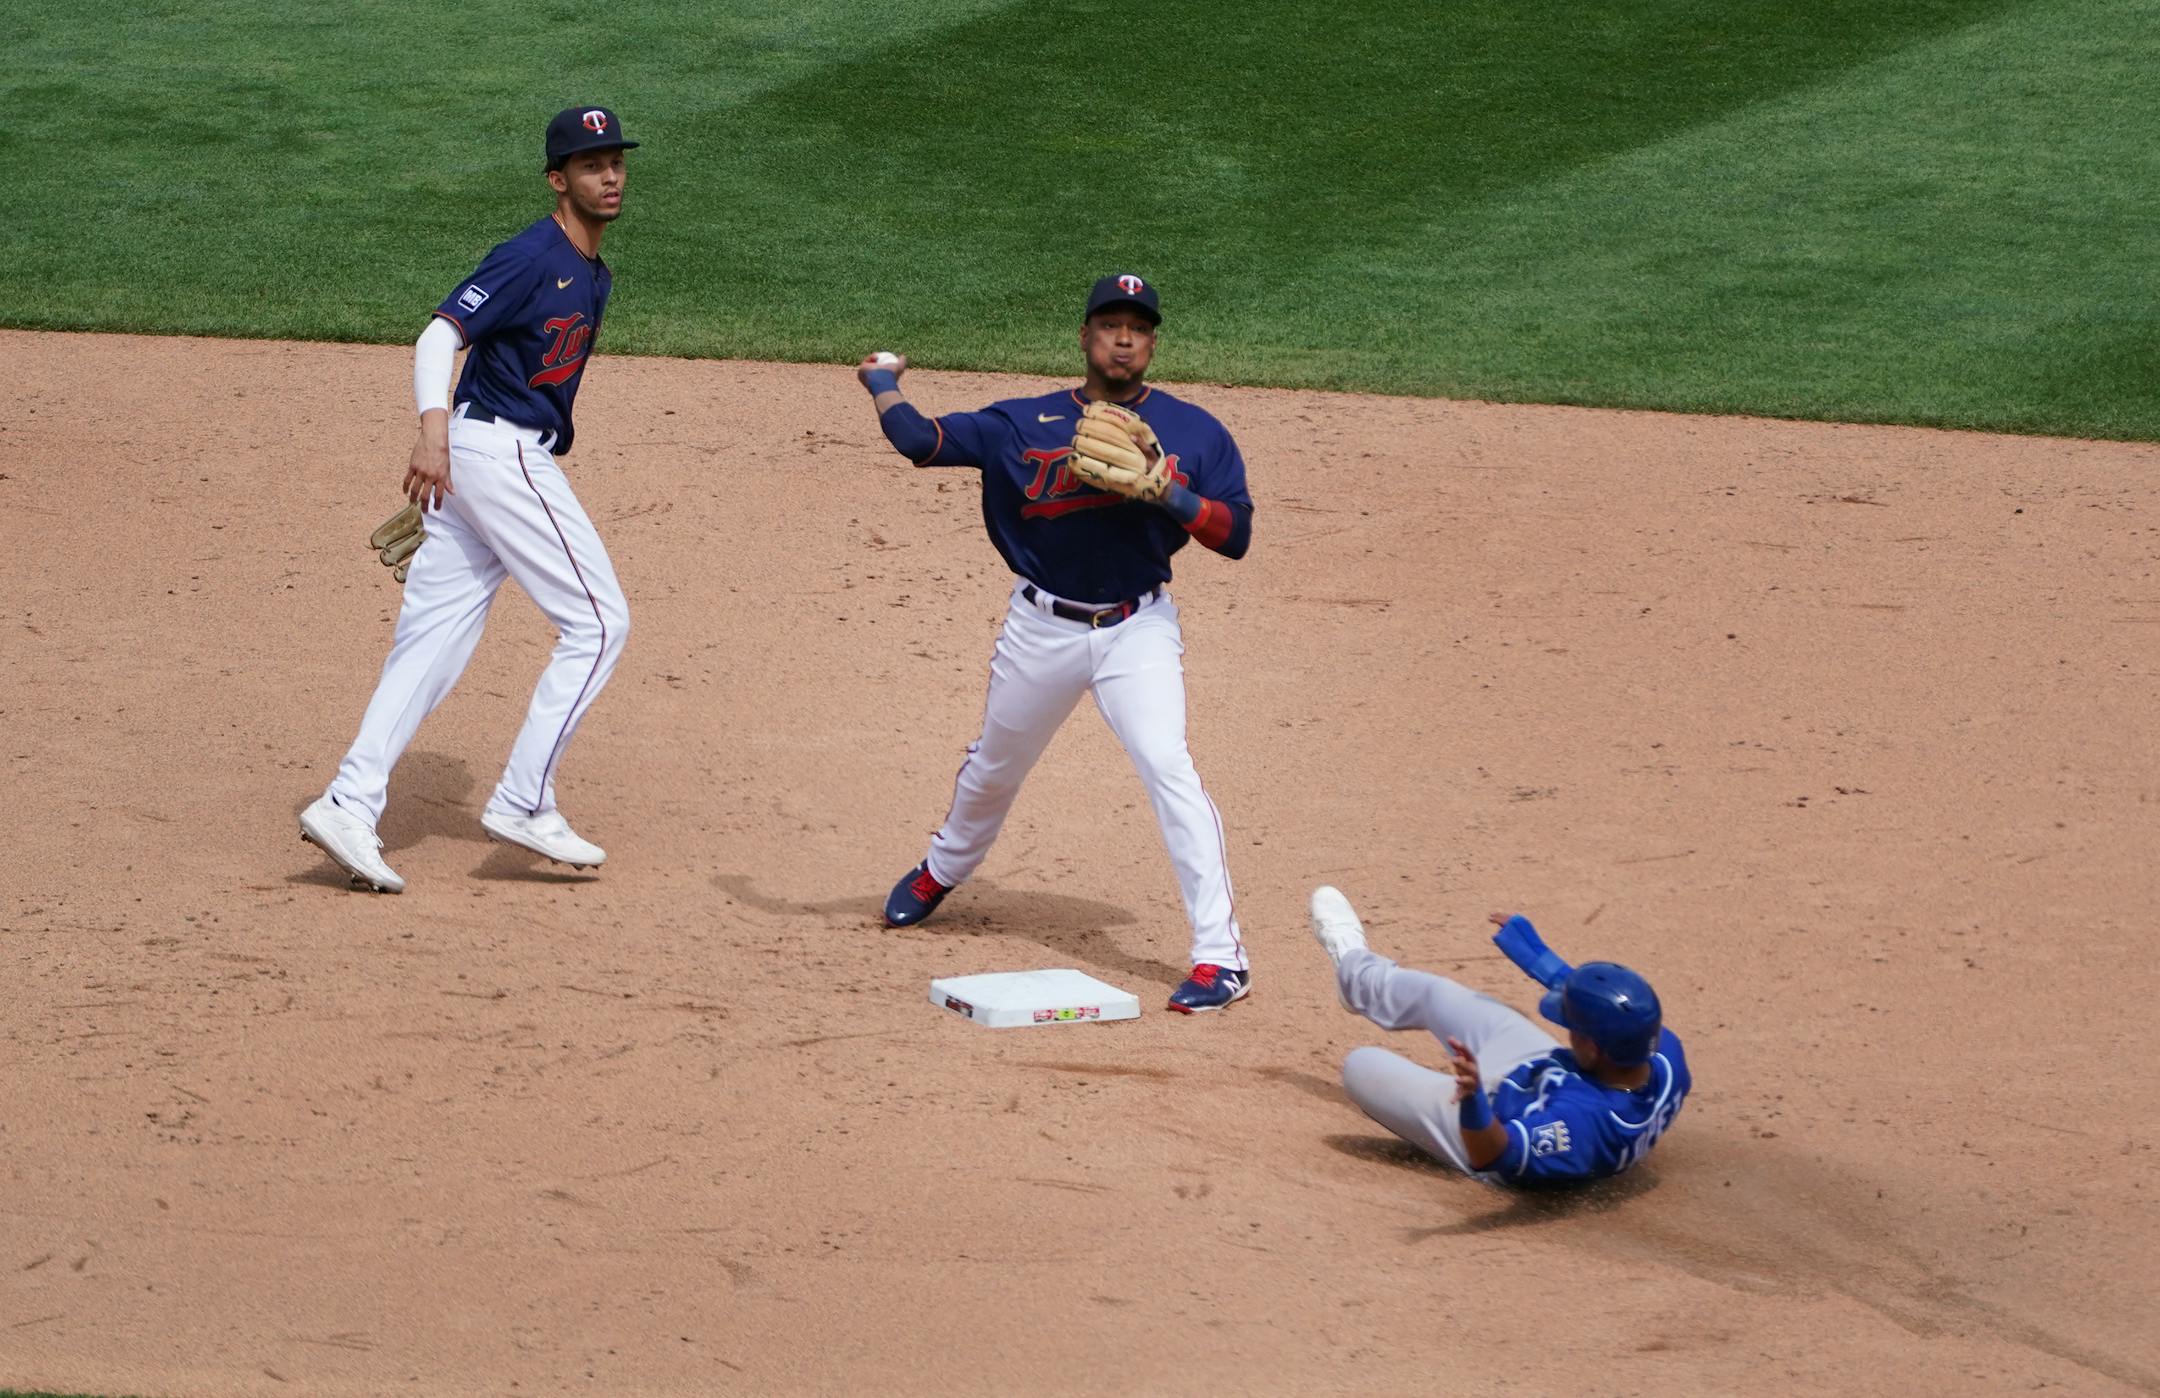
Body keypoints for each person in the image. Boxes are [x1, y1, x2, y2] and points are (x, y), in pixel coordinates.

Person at [854, 274, 1257, 1012]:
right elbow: (919, 441)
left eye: (1139, 327)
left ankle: (1221, 959)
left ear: (1153, 341)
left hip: (1137, 628)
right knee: (995, 765)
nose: (1124, 339)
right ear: (1085, 336)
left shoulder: (1196, 432)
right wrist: (882, 382)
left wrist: (1171, 494)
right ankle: (942, 869)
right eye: (1110, 325)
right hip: (1040, 628)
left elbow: (1237, 536)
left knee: (1170, 769)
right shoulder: (1020, 422)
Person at [299, 106, 640, 892]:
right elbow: (439, 334)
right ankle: (524, 800)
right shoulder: (531, 256)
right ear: (558, 180)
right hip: (494, 454)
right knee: (598, 624)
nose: (610, 176)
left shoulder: (592, 271)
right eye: (591, 165)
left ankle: (348, 802)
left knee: (432, 642)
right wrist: (433, 435)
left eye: (617, 161)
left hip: (482, 464)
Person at [1307, 886, 1690, 1183]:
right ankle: (1353, 969)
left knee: (1361, 1065)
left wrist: (1473, 1098)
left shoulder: (1578, 1125)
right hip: (1534, 1068)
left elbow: (1493, 1153)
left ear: (1593, 1048)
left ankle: (1447, 1115)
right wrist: (1541, 960)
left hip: (1491, 1128)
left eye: (1573, 1029)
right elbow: (1612, 1010)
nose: (1567, 1030)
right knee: (1436, 995)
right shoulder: (1662, 1053)